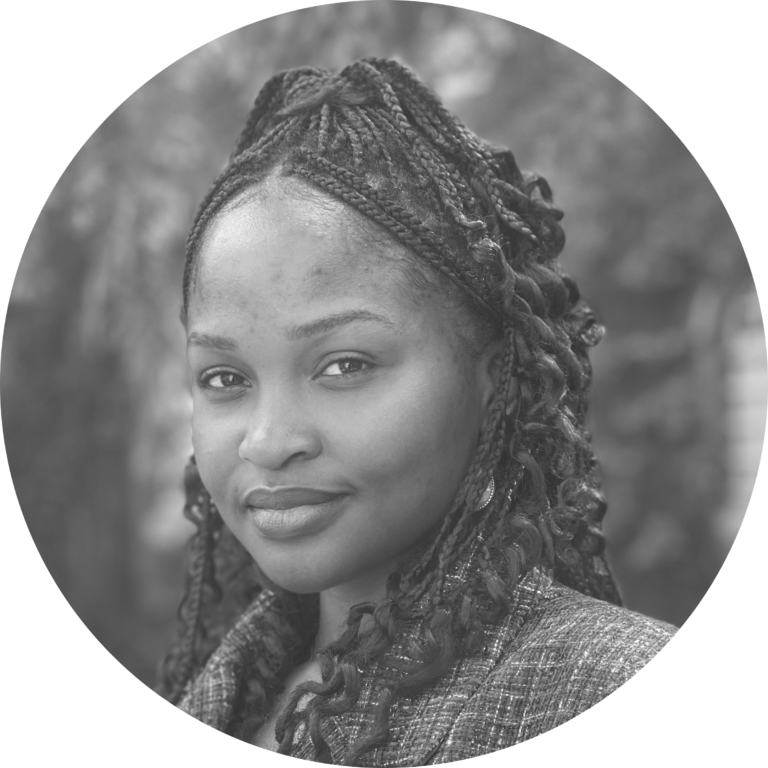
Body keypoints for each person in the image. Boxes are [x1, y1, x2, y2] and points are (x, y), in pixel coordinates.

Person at [158, 58, 677, 761]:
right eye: (225, 377)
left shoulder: (598, 683)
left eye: (344, 366)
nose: (269, 441)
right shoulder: (219, 693)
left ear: (494, 380)